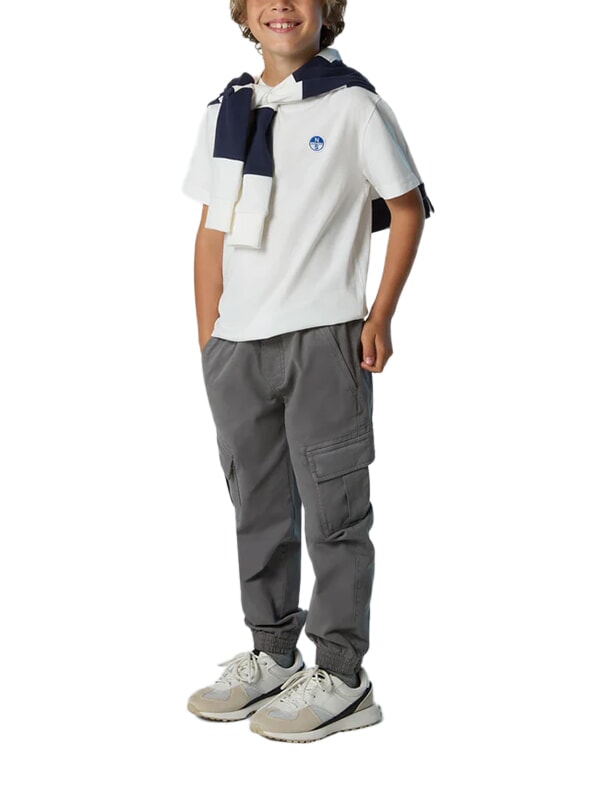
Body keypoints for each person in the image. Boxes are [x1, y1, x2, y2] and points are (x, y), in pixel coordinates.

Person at [181, 0, 434, 743]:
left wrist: (379, 314)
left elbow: (408, 208)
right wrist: (210, 340)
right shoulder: (224, 112)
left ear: (329, 11)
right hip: (238, 347)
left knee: (335, 514)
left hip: (323, 338)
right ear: (243, 12)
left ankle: (344, 675)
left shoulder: (354, 106)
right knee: (257, 507)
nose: (281, 6)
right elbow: (210, 231)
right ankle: (272, 653)